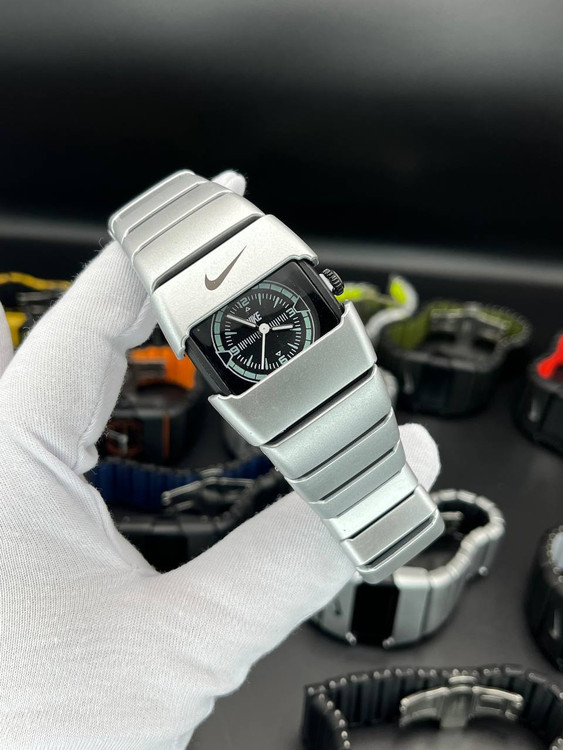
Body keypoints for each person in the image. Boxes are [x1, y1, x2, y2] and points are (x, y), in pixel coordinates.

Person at [0, 171, 440, 749]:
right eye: (248, 332)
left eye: (269, 321)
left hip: (337, 367)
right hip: (289, 398)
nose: (261, 326)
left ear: (322, 286)